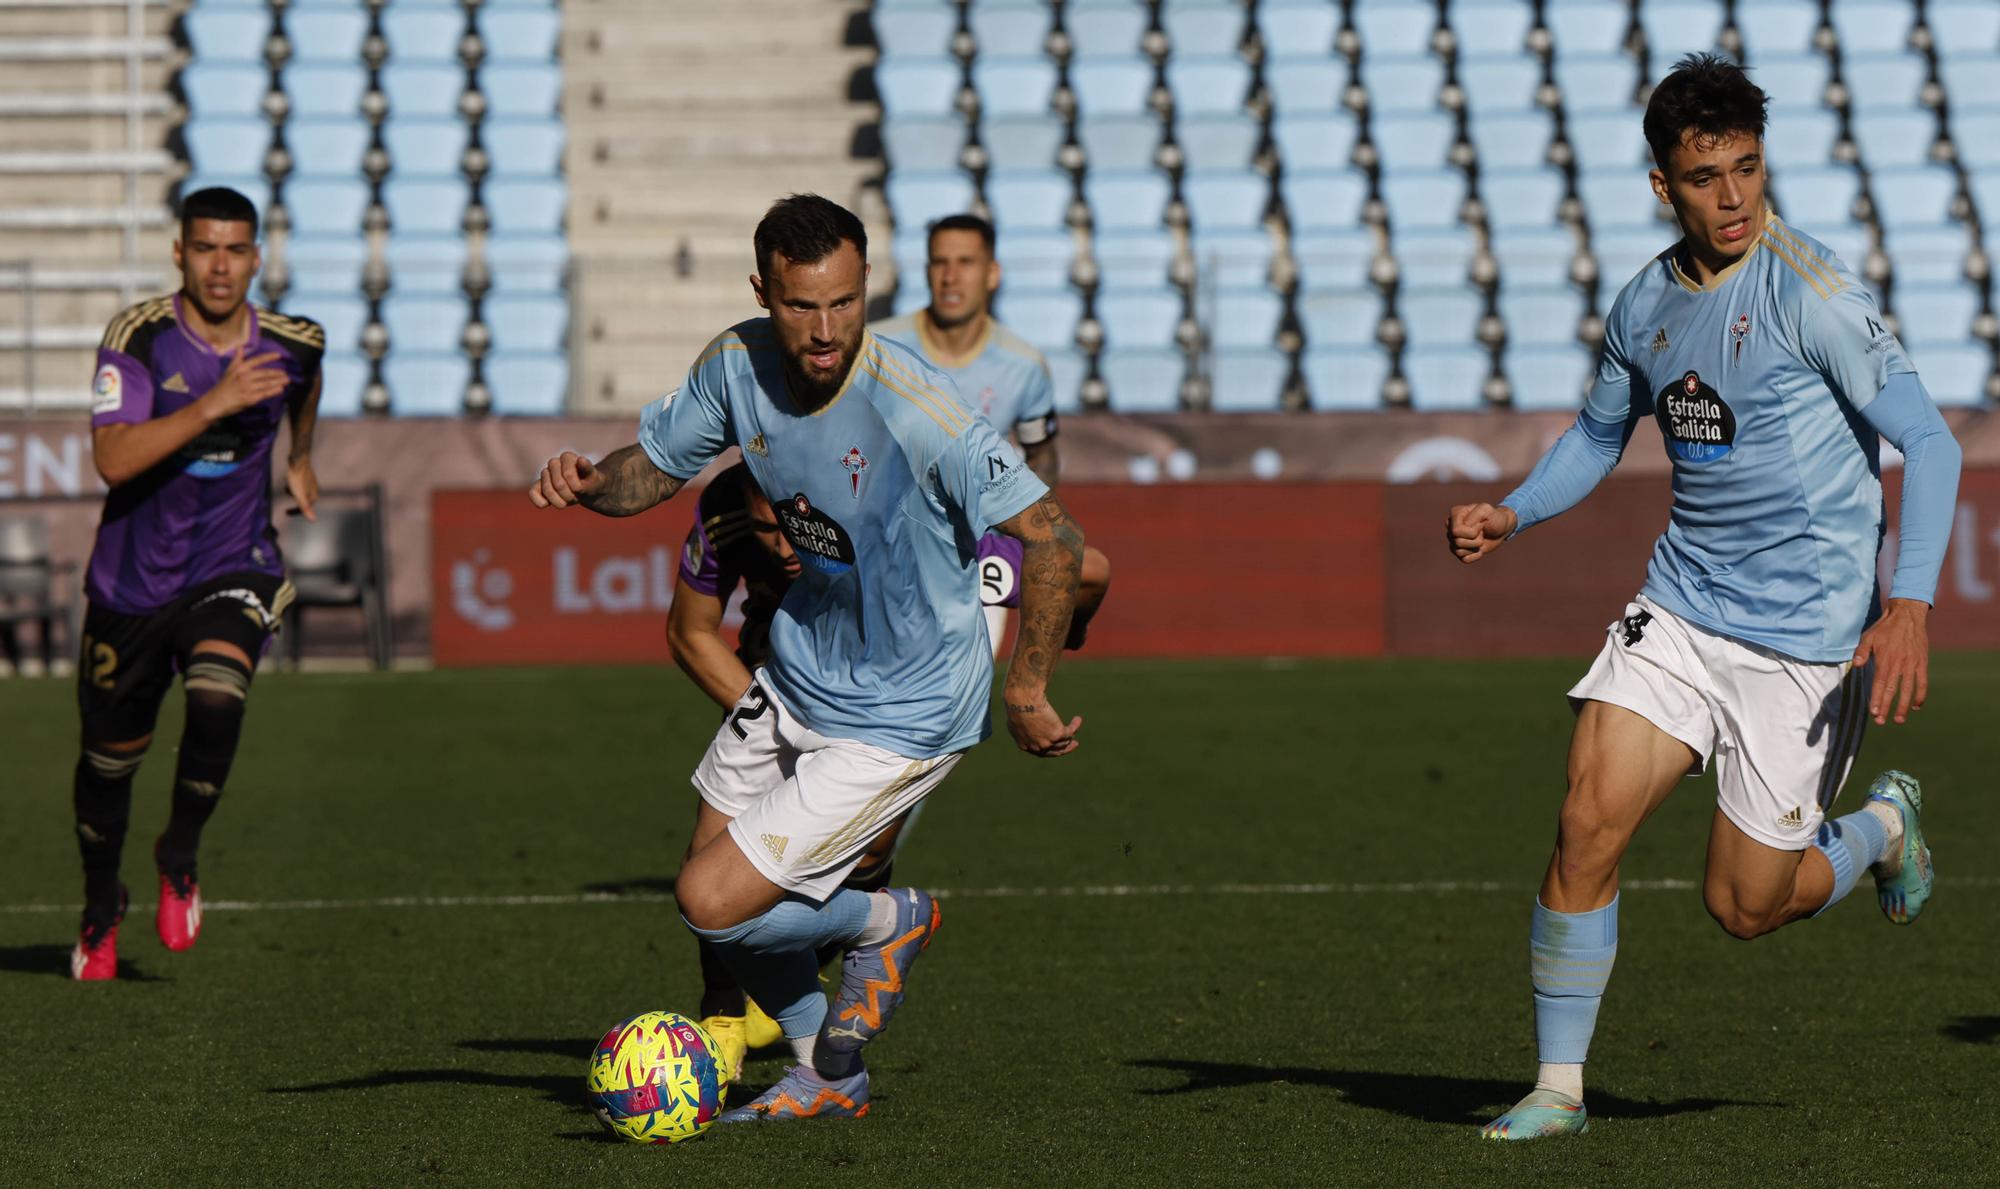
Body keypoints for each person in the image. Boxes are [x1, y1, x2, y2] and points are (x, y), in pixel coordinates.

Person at [1447, 55, 1962, 1140]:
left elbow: (1927, 440)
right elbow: (1597, 434)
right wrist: (1511, 511)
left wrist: (1907, 603)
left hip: (1801, 644)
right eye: (1703, 176)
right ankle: (1556, 1089)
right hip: (1680, 609)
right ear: (1660, 185)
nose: (1731, 198)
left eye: (1746, 169)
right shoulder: (1643, 304)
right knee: (1583, 818)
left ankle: (1878, 827)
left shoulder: (1811, 292)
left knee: (1744, 907)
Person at [531, 194, 1088, 1122]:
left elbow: (1056, 536)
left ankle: (887, 920)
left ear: (868, 284)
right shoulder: (734, 366)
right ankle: (823, 1071)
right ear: (763, 291)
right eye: (800, 306)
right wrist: (592, 483)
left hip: (904, 708)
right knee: (716, 902)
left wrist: (1026, 686)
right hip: (800, 671)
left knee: (712, 901)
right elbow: (655, 469)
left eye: (843, 302)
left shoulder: (917, 411)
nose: (826, 330)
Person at [70, 186, 325, 981]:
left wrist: (300, 454)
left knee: (219, 692)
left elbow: (305, 387)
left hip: (233, 560)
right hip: (133, 582)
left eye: (237, 250)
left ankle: (179, 851)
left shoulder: (295, 340)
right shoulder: (139, 337)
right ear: (179, 253)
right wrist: (215, 403)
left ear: (257, 256)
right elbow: (112, 459)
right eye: (206, 248)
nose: (222, 266)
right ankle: (100, 902)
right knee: (108, 765)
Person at [872, 214, 1111, 654]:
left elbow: (1042, 454)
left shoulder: (1023, 366)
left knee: (967, 688)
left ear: (992, 273)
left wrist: (1029, 527)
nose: (950, 276)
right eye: (939, 262)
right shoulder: (880, 348)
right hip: (890, 542)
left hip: (979, 547)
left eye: (965, 261)